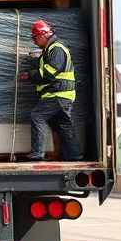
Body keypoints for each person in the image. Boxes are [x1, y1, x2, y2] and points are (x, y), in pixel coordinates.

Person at [19, 20, 82, 161]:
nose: (34, 42)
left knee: (37, 116)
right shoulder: (51, 49)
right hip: (63, 95)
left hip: (57, 94)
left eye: (35, 38)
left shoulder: (56, 49)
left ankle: (37, 153)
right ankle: (75, 155)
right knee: (63, 125)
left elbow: (50, 72)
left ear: (43, 35)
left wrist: (29, 75)